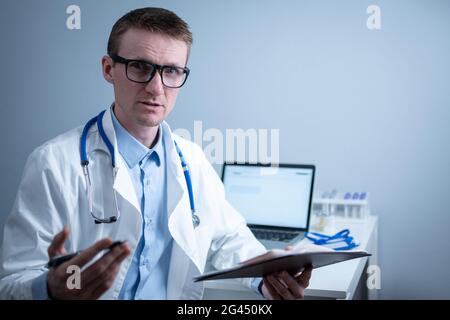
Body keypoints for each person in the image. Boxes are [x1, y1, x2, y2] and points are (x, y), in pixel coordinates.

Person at [0, 7, 311, 300]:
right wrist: (51, 289)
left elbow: (226, 238)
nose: (156, 87)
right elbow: (12, 283)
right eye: (140, 67)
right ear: (109, 69)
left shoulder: (192, 160)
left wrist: (266, 277)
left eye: (172, 71)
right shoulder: (54, 164)